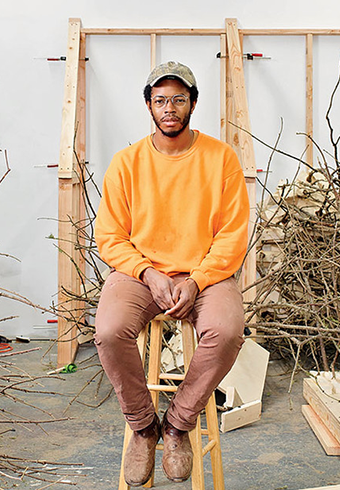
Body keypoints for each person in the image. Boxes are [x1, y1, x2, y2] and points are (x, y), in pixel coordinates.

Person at [93, 60, 250, 486]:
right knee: (109, 331)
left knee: (228, 330)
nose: (169, 108)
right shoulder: (126, 163)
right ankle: (144, 427)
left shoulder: (221, 159)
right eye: (160, 100)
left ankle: (179, 424)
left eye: (179, 99)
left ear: (193, 104)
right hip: (140, 275)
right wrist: (147, 273)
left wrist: (197, 279)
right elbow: (109, 235)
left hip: (206, 275)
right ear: (148, 106)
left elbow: (233, 235)